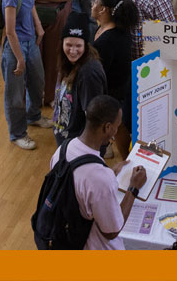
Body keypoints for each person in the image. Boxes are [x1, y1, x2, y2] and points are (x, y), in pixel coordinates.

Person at [47, 95, 147, 249]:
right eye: (117, 126)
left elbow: (77, 187)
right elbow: (112, 231)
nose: (116, 130)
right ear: (107, 127)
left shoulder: (62, 150)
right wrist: (133, 189)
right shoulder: (100, 178)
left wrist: (110, 172)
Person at [0, 0, 51, 151]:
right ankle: (18, 133)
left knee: (38, 81)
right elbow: (10, 31)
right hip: (15, 48)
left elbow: (30, 6)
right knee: (14, 94)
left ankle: (33, 116)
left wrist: (38, 27)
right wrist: (20, 59)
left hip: (31, 43)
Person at [92, 0, 138, 159]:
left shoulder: (108, 40)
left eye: (95, 1)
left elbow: (101, 70)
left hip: (113, 90)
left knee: (116, 127)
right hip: (115, 86)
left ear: (103, 9)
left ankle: (125, 158)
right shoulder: (108, 28)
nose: (92, 4)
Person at [53, 10, 107, 146]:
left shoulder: (89, 74)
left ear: (86, 46)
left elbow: (94, 118)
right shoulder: (68, 63)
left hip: (79, 147)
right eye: (69, 45)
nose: (72, 51)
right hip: (67, 140)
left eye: (78, 46)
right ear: (62, 44)